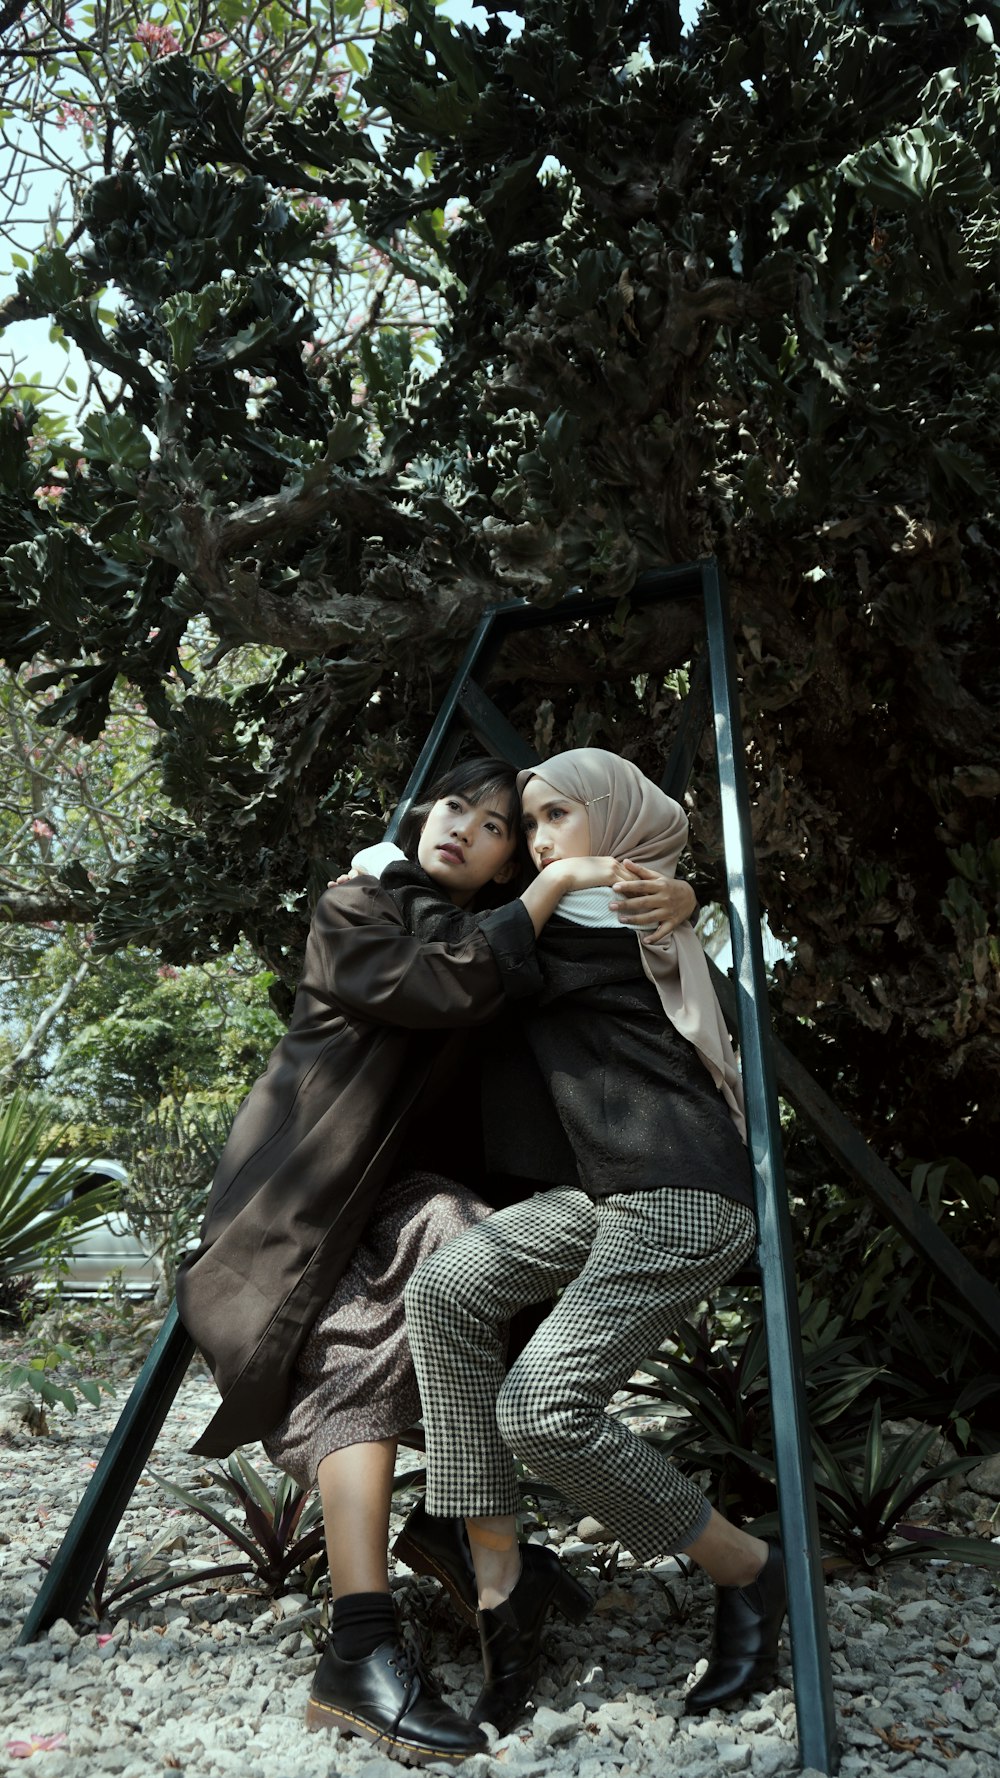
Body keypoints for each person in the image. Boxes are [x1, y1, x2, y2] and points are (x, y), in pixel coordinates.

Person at [176, 754, 694, 1767]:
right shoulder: (361, 901)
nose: (460, 825)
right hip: (305, 1207)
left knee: (466, 1246)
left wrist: (677, 898)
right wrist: (547, 885)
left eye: (496, 825)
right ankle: (364, 1638)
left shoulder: (509, 942)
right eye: (455, 804)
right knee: (349, 1346)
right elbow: (434, 980)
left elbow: (610, 969)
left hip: (407, 1201)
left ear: (502, 862)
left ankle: (446, 1548)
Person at [404, 747, 787, 1736]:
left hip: (678, 1191)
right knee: (446, 1289)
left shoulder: (621, 905)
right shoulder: (583, 899)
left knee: (538, 1408)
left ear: (615, 819)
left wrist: (582, 877)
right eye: (526, 824)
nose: (537, 841)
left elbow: (483, 955)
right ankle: (501, 1585)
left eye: (556, 817)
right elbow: (465, 954)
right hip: (598, 1191)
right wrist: (559, 872)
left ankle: (747, 1567)